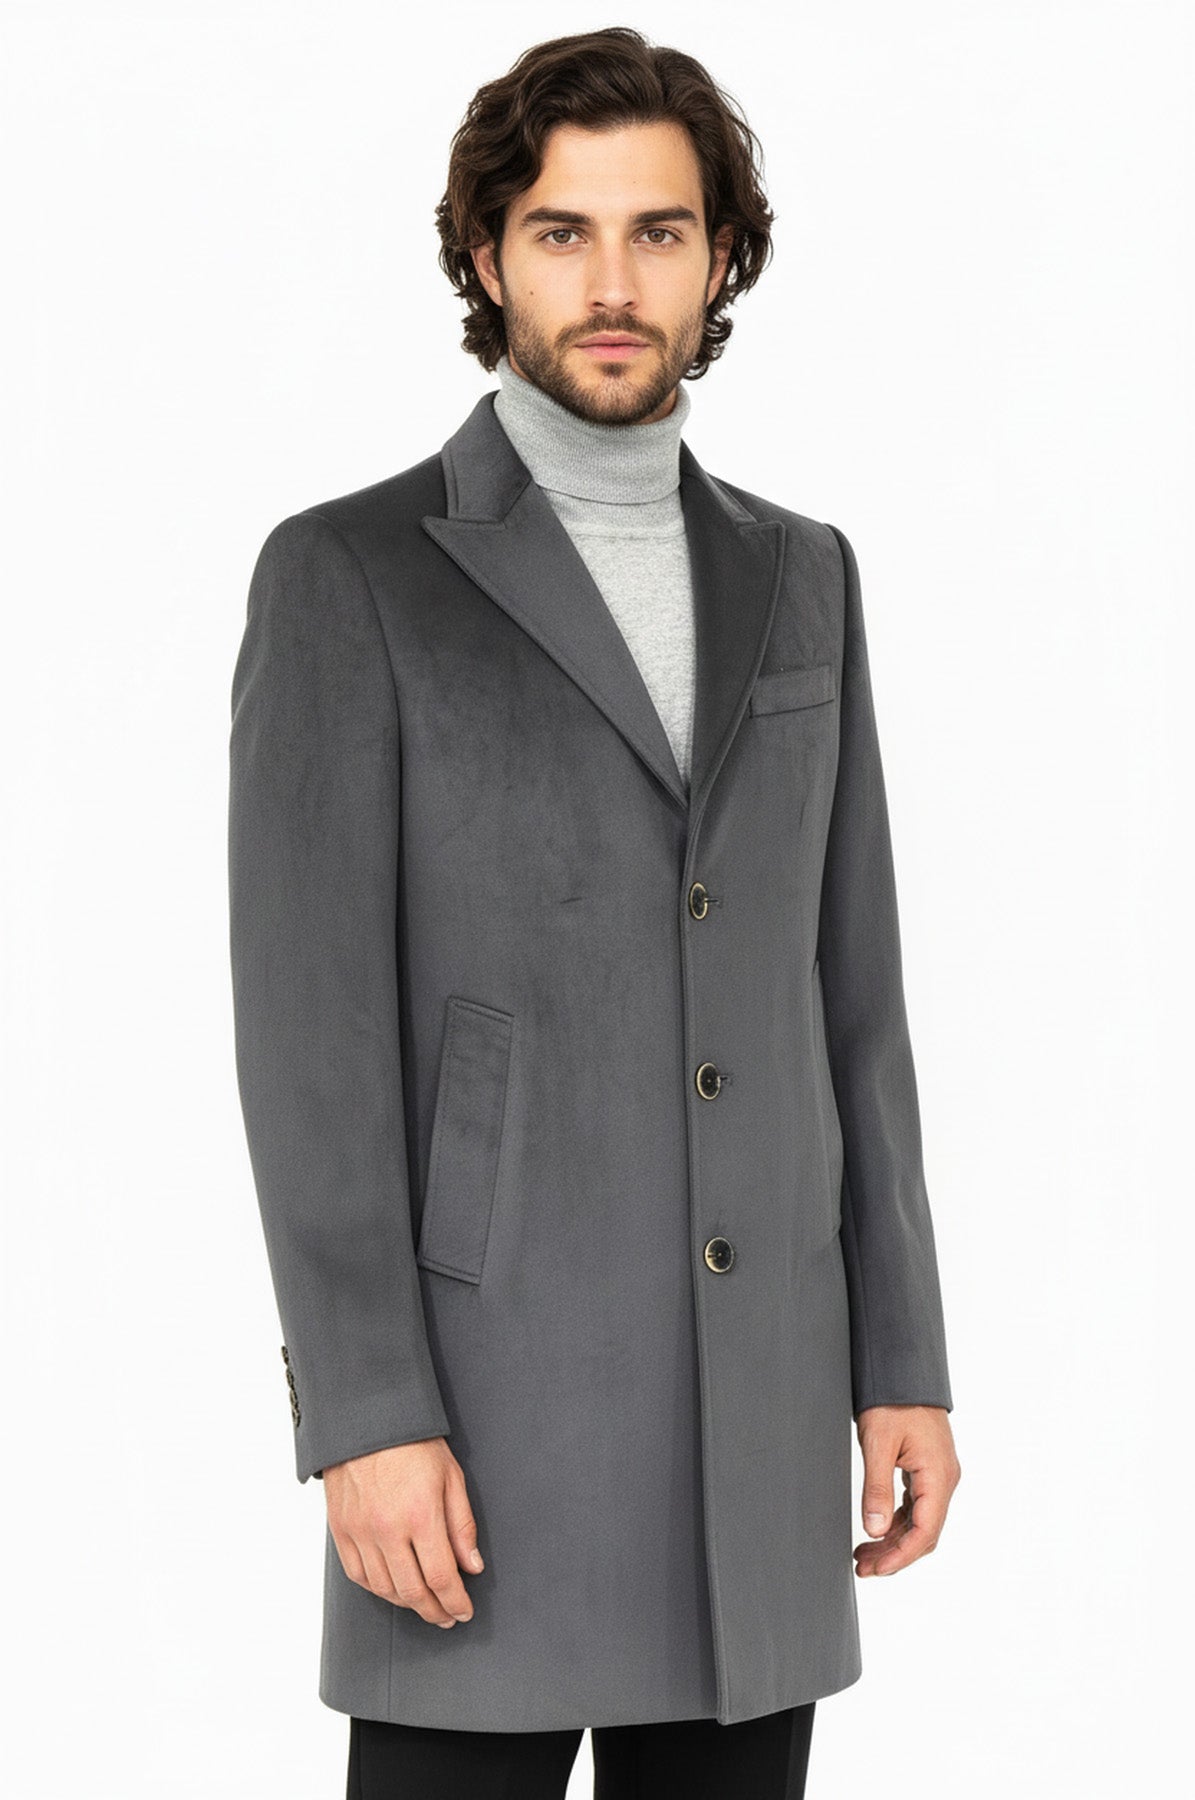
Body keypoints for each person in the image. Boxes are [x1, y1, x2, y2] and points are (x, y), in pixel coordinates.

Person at [227, 26, 961, 1800]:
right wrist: (365, 1413)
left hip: (758, 1412)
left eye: (660, 231)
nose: (614, 283)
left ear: (722, 260)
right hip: (481, 1429)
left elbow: (853, 1000)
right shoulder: (350, 576)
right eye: (564, 232)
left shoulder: (806, 574)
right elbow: (310, 1046)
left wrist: (902, 1359)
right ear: (489, 259)